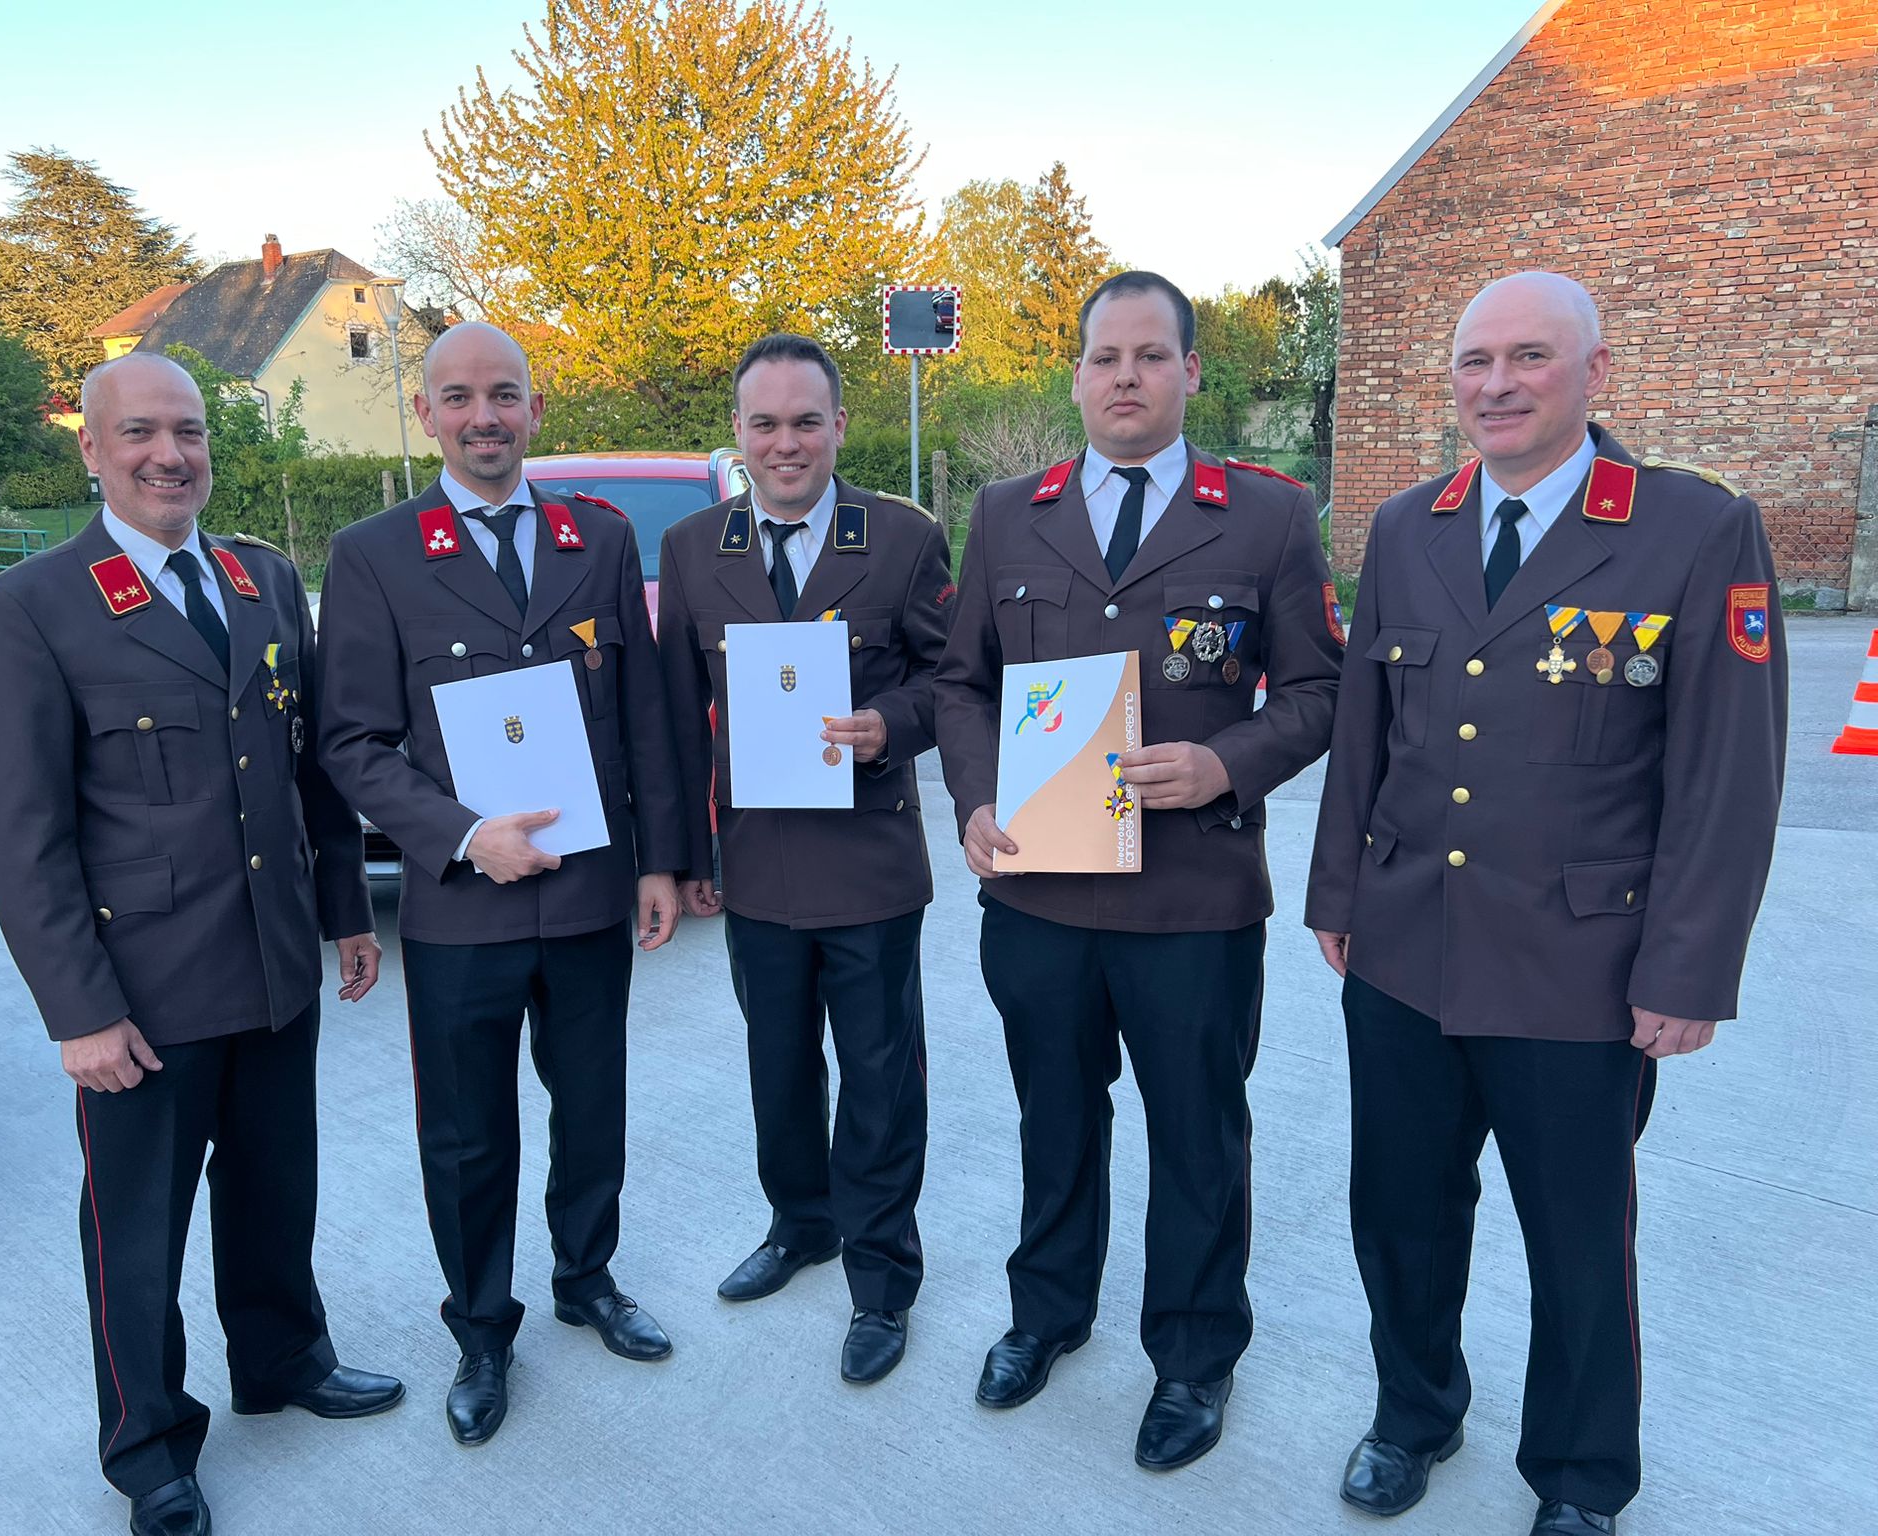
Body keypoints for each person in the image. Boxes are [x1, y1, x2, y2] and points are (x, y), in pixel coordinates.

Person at [1306, 271, 1788, 1536]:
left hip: (1578, 967)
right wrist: (1336, 892)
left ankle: (1578, 1476)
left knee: (1575, 1242)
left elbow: (1725, 777)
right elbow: (1364, 733)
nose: (1496, 384)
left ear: (1594, 372)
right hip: (1403, 950)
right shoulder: (1406, 525)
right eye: (1474, 361)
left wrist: (1686, 970)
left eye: (1527, 357)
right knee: (1398, 1214)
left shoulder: (1692, 528)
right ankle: (1411, 1415)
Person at [0, 351, 401, 1536]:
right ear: (92, 449)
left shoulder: (262, 580)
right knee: (137, 1230)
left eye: (189, 432)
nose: (170, 455)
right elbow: (21, 835)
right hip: (143, 994)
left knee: (274, 1188)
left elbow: (309, 767)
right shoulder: (32, 609)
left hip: (273, 963)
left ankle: (282, 1359)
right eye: (141, 433)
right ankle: (148, 1445)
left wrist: (345, 911)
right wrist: (78, 1012)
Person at [932, 271, 1343, 1469]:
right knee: (1052, 1119)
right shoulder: (1006, 513)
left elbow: (1318, 689)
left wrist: (1224, 764)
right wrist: (972, 797)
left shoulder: (1266, 515)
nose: (1125, 376)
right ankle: (1046, 1315)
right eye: (1104, 357)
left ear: (1189, 373)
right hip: (1038, 893)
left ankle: (1193, 1357)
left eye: (1150, 355)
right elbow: (960, 682)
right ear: (1074, 376)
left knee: (1197, 1137)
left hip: (1189, 900)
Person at [316, 321, 687, 1449]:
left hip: (587, 896)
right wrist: (465, 834)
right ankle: (481, 1331)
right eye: (461, 397)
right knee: (468, 1135)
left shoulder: (599, 539)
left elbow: (643, 713)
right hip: (461, 908)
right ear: (426, 413)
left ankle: (587, 1277)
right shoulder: (374, 554)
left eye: (505, 395)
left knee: (593, 1107)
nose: (485, 417)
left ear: (534, 408)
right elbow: (351, 741)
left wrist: (661, 859)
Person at [655, 333, 953, 1384]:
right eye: (765, 423)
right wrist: (682, 855)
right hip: (757, 864)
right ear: (738, 433)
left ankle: (882, 1277)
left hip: (869, 862)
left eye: (806, 422)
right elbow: (674, 719)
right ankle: (800, 1225)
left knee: (879, 1078)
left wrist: (889, 724)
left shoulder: (904, 538)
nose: (786, 443)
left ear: (839, 427)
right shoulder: (693, 548)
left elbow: (953, 681)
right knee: (776, 1065)